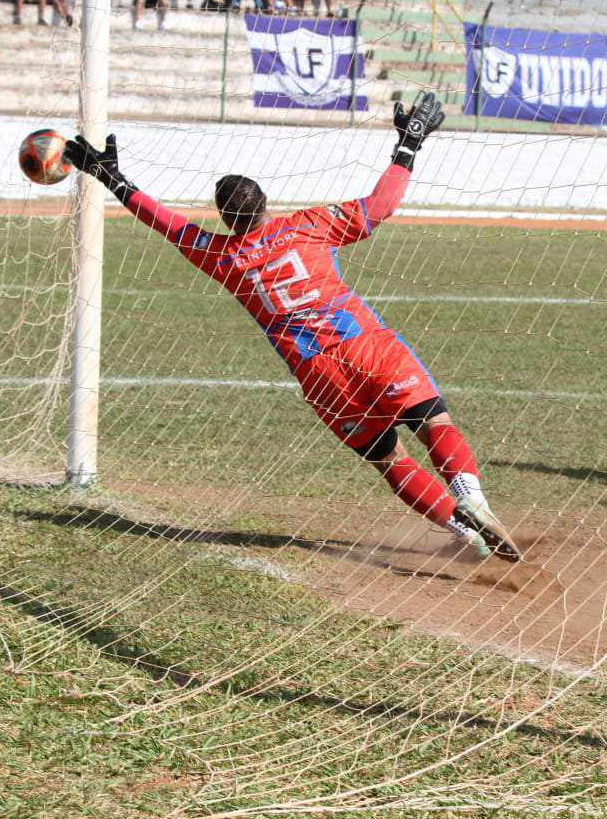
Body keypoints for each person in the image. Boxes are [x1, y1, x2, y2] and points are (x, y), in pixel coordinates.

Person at [62, 94, 521, 562]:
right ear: (267, 203)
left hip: (319, 379)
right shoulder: (308, 225)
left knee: (390, 459)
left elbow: (172, 227)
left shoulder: (222, 256)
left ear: (225, 220)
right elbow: (380, 207)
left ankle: (466, 533)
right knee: (433, 422)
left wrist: (114, 180)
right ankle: (473, 500)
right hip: (367, 347)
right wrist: (409, 144)